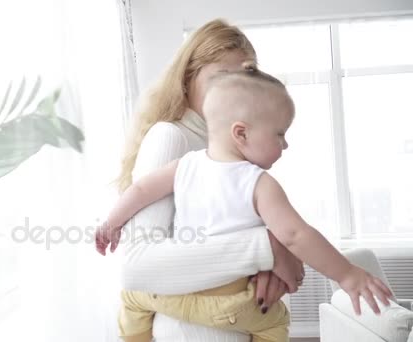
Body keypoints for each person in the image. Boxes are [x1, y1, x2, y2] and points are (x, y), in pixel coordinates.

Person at [97, 66, 393, 341]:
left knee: (132, 298)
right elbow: (295, 236)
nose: (285, 144)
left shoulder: (184, 166)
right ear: (241, 133)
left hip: (176, 295)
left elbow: (141, 189)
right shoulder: (259, 183)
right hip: (233, 304)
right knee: (276, 323)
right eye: (280, 134)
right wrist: (347, 274)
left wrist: (112, 223)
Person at [105, 19, 304, 342]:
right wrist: (267, 247)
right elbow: (137, 267)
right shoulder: (171, 137)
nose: (233, 90)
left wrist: (268, 269)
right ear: (187, 79)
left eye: (245, 78)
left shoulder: (229, 149)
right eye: (222, 77)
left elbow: (227, 232)